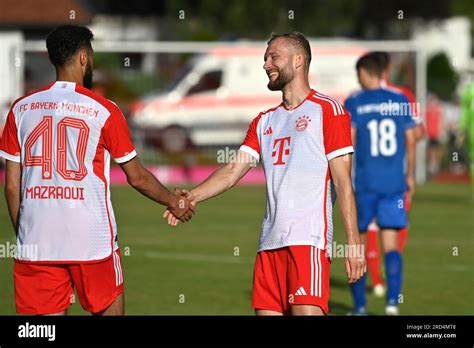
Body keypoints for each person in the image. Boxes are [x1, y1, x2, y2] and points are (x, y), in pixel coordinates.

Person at [164, 32, 366, 316]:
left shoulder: (328, 111)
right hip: (268, 245)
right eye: (264, 58)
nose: (266, 64)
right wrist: (191, 197)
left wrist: (354, 243)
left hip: (307, 242)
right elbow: (234, 169)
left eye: (273, 57)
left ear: (298, 61)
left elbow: (344, 182)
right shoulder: (264, 121)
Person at [0, 25, 194, 316]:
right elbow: (137, 176)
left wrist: (27, 234)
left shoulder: (20, 109)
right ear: (83, 57)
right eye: (90, 55)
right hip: (91, 242)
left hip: (37, 243)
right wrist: (174, 201)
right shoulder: (104, 110)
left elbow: (12, 186)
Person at [344, 54, 417, 315]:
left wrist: (344, 180)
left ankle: (360, 307)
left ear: (365, 72)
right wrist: (410, 175)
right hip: (393, 185)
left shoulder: (354, 102)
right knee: (391, 246)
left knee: (358, 245)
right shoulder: (399, 100)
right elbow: (411, 139)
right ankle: (392, 304)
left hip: (364, 185)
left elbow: (348, 142)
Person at [361, 51, 423, 297]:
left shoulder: (359, 99)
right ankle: (387, 281)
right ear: (387, 69)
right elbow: (418, 133)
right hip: (395, 178)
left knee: (369, 230)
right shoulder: (403, 96)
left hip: (367, 178)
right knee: (394, 229)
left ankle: (375, 283)